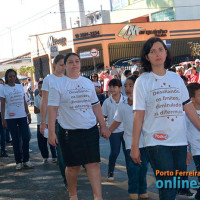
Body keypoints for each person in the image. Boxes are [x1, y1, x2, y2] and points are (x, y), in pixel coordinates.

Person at [130, 37, 200, 200]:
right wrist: (135, 146)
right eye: (152, 51)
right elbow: (138, 115)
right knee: (167, 185)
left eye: (160, 49)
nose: (157, 54)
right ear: (147, 57)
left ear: (166, 52)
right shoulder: (142, 82)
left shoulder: (176, 79)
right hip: (156, 141)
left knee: (173, 185)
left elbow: (188, 108)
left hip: (179, 141)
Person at [48, 52, 110, 200]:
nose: (74, 64)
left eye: (77, 61)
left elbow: (95, 106)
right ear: (65, 65)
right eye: (70, 62)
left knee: (93, 164)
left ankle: (98, 197)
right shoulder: (57, 84)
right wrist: (51, 132)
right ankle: (73, 195)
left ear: (80, 64)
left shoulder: (87, 83)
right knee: (73, 167)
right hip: (69, 132)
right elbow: (52, 109)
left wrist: (103, 125)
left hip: (89, 130)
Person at [109, 75, 148, 200]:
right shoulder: (123, 104)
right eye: (126, 86)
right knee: (133, 168)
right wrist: (108, 131)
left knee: (143, 168)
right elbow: (116, 121)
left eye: (131, 85)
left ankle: (143, 190)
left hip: (146, 142)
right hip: (130, 142)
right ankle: (133, 190)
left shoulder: (145, 102)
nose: (128, 88)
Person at [40, 54, 66, 188]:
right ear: (54, 64)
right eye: (61, 65)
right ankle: (67, 180)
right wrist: (43, 122)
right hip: (54, 120)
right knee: (61, 151)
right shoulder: (48, 80)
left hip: (68, 120)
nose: (63, 68)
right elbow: (44, 101)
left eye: (65, 65)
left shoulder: (68, 79)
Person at [0, 69, 33, 170]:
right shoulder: (3, 88)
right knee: (15, 140)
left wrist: (28, 113)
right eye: (10, 76)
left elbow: (24, 101)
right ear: (7, 77)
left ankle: (26, 160)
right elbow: (2, 105)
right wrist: (3, 119)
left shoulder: (20, 86)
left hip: (22, 116)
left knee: (26, 137)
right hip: (10, 118)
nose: (12, 78)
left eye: (14, 76)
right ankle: (18, 161)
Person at [102, 79, 127, 181]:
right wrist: (103, 128)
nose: (112, 89)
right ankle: (110, 171)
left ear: (120, 88)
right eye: (110, 87)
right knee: (114, 152)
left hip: (126, 131)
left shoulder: (126, 100)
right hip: (114, 131)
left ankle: (131, 172)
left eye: (114, 87)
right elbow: (102, 115)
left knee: (128, 153)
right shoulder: (107, 102)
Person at [34, 81, 57, 164]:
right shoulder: (37, 98)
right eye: (39, 87)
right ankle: (45, 156)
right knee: (42, 142)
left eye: (42, 87)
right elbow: (35, 110)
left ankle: (55, 156)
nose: (41, 89)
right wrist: (43, 108)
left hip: (50, 122)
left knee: (52, 140)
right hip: (40, 123)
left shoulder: (51, 97)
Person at [186, 83, 200, 200]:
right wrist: (186, 150)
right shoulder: (186, 114)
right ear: (192, 99)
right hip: (197, 150)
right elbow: (182, 134)